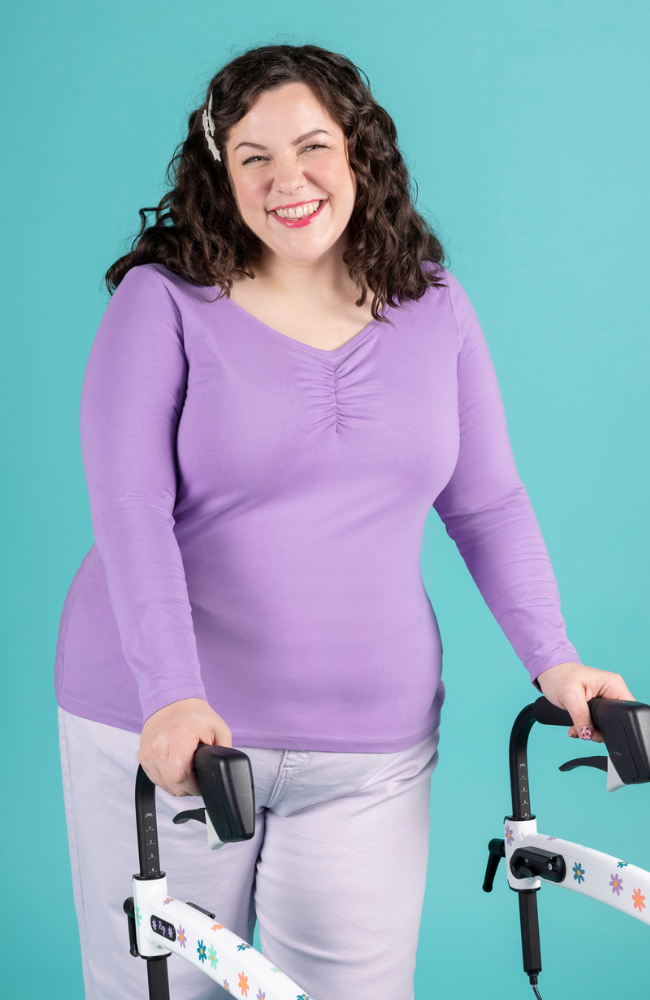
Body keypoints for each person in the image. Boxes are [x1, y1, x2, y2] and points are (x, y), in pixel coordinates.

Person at [55, 43, 634, 1000]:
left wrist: (556, 655)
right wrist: (169, 693)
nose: (289, 180)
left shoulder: (435, 303)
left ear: (361, 152)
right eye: (254, 156)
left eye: (313, 146)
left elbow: (487, 502)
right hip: (175, 735)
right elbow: (130, 512)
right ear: (219, 171)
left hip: (370, 746)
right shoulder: (161, 306)